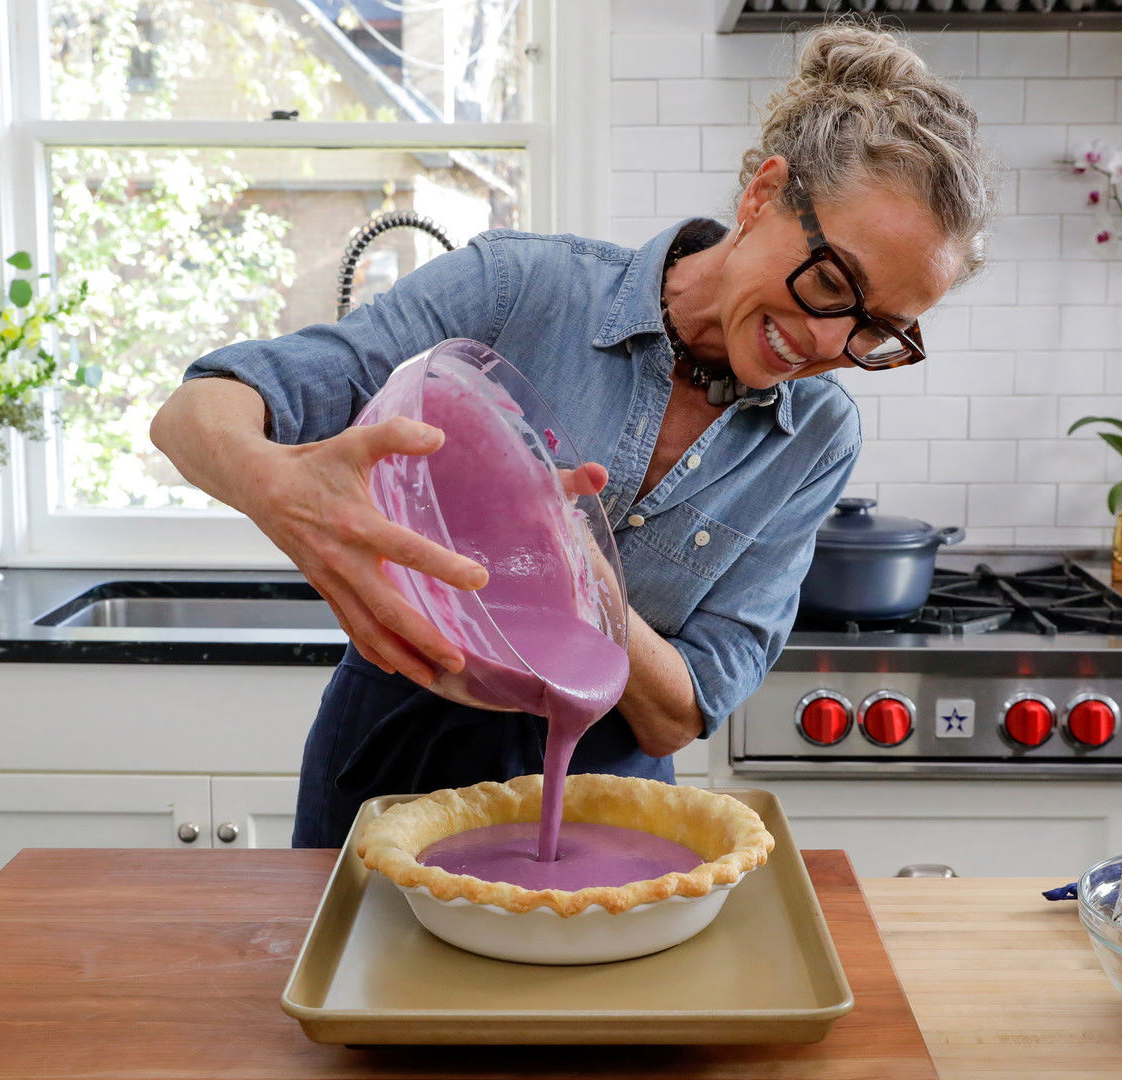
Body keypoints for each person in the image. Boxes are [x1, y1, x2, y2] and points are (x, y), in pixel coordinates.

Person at [151, 23, 999, 847]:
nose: (825, 345)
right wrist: (282, 490)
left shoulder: (816, 436)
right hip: (392, 767)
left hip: (608, 810)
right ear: (762, 194)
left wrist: (589, 592)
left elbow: (684, 713)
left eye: (878, 330)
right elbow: (198, 411)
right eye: (829, 282)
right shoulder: (519, 287)